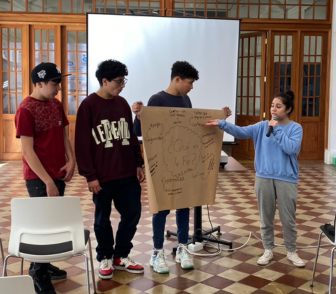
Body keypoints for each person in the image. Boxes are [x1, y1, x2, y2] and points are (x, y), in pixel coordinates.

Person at [131, 61, 231, 274]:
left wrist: (221, 117)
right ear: (177, 79)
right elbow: (141, 130)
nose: (191, 87)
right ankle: (157, 252)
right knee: (162, 208)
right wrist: (138, 114)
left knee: (184, 205)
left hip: (184, 163)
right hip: (164, 165)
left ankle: (183, 248)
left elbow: (191, 127)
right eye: (190, 82)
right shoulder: (156, 99)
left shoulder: (186, 99)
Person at [205, 90, 305, 268]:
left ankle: (291, 251)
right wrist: (222, 124)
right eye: (273, 105)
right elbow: (241, 132)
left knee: (287, 219)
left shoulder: (296, 128)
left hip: (286, 179)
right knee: (266, 218)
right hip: (263, 177)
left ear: (288, 109)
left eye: (279, 106)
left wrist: (275, 130)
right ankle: (268, 249)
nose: (274, 109)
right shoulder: (261, 126)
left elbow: (291, 149)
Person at [75, 59, 145, 280]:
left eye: (124, 80)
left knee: (132, 213)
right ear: (104, 81)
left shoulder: (122, 103)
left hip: (127, 173)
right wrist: (90, 176)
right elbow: (83, 144)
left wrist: (138, 163)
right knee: (102, 220)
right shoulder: (88, 106)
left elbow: (131, 136)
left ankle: (121, 255)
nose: (122, 85)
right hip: (102, 177)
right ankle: (105, 256)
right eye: (119, 81)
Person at [15, 62, 75, 294]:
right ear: (39, 83)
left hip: (58, 171)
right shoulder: (25, 110)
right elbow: (27, 151)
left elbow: (64, 135)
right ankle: (38, 272)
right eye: (54, 83)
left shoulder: (56, 104)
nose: (58, 87)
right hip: (39, 178)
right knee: (43, 225)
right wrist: (48, 181)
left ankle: (43, 262)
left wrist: (72, 160)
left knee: (54, 222)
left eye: (59, 82)